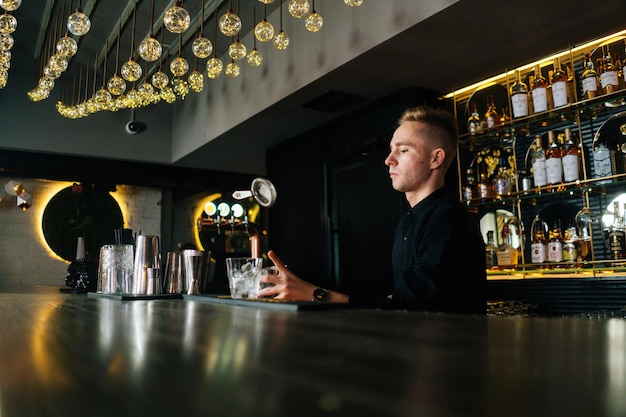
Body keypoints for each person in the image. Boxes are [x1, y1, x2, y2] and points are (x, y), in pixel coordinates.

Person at [258, 105, 486, 314]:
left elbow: (409, 308)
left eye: (403, 150)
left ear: (436, 158)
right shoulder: (408, 220)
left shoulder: (448, 222)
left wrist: (316, 295)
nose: (389, 160)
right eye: (391, 150)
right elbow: (398, 299)